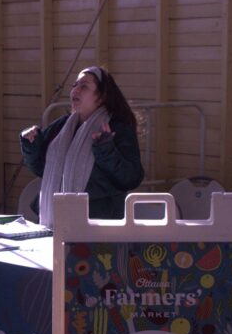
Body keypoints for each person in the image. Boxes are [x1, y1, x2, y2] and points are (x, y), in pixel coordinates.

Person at [20, 66, 144, 227]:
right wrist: (31, 145)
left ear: (102, 96)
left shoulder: (117, 128)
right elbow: (40, 169)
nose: (75, 90)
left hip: (98, 224)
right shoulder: (61, 126)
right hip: (53, 220)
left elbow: (131, 178)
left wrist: (106, 150)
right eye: (74, 85)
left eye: (84, 86)